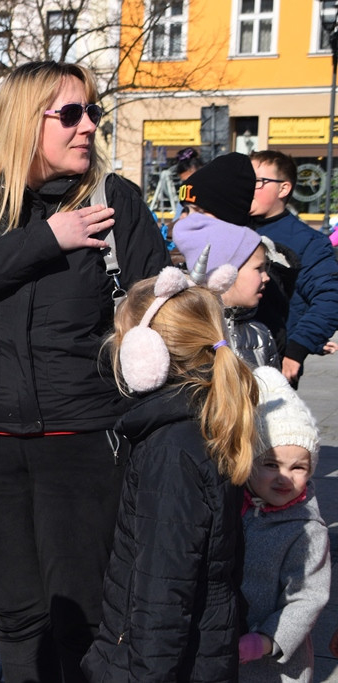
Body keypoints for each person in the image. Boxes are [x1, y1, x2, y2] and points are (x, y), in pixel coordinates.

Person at [0, 61, 170, 683]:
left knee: (80, 617)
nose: (87, 127)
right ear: (24, 124)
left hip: (82, 439)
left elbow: (156, 310)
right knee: (16, 615)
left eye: (92, 114)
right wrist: (47, 238)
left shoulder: (116, 203)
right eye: (70, 114)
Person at [82, 266, 258, 680]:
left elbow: (163, 589)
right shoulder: (205, 418)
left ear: (146, 354)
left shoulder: (170, 450)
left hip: (153, 664)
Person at [239, 365, 330, 681]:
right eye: (271, 464)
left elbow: (307, 598)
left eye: (298, 467)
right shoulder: (233, 506)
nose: (284, 477)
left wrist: (266, 640)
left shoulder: (306, 528)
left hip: (273, 663)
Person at [249, 150, 338, 387]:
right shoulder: (230, 227)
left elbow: (329, 298)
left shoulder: (308, 242)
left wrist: (297, 350)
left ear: (283, 189)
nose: (249, 187)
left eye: (259, 181)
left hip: (271, 367)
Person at [172, 213, 279, 369]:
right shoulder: (188, 331)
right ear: (227, 272)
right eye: (259, 268)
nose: (266, 277)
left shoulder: (260, 334)